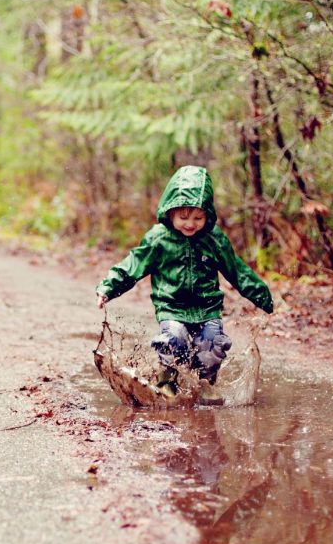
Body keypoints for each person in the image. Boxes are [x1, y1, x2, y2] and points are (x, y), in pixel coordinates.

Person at [95, 166, 272, 405]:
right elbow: (132, 265)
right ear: (170, 213)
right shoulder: (159, 239)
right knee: (173, 341)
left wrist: (261, 295)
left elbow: (237, 270)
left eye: (198, 218)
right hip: (171, 307)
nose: (190, 224)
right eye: (183, 217)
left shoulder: (214, 239)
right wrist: (108, 288)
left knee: (210, 346)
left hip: (207, 308)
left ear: (208, 215)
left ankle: (206, 385)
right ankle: (166, 385)